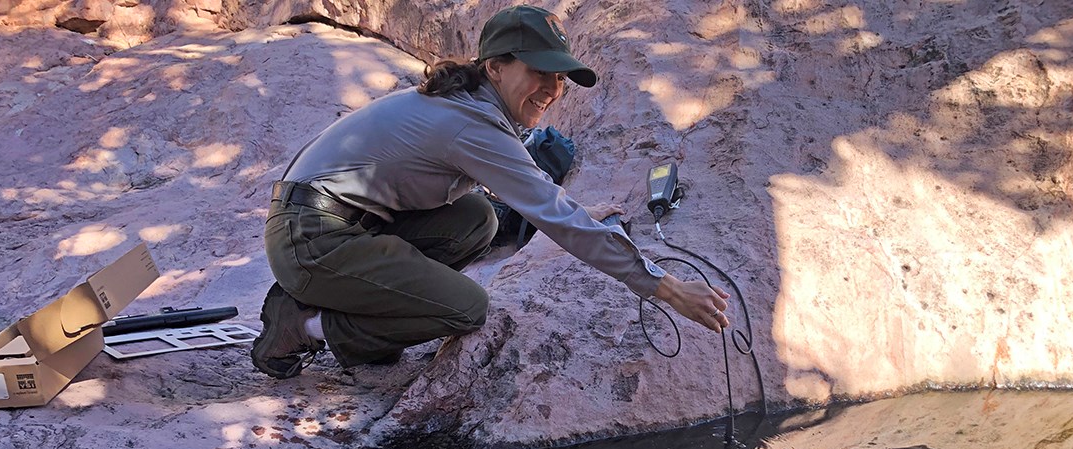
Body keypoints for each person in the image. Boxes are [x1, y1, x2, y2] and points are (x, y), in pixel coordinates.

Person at [252, 5, 731, 379]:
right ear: (496, 67)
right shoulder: (471, 125)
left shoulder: (471, 107)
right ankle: (301, 325)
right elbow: (552, 214)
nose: (552, 87)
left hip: (335, 226)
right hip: (312, 240)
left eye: (559, 76)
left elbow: (540, 198)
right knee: (466, 309)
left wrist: (576, 211)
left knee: (476, 217)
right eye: (539, 71)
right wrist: (664, 287)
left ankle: (363, 313)